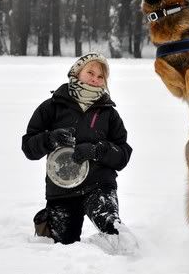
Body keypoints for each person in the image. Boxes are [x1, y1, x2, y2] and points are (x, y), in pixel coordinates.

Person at [21, 53, 134, 249]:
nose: (95, 79)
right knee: (62, 247)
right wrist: (50, 138)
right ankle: (48, 224)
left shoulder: (109, 113)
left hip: (99, 186)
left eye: (100, 76)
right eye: (90, 72)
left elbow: (123, 155)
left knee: (114, 234)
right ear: (76, 72)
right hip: (61, 190)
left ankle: (125, 255)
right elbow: (29, 148)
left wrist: (97, 150)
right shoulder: (52, 107)